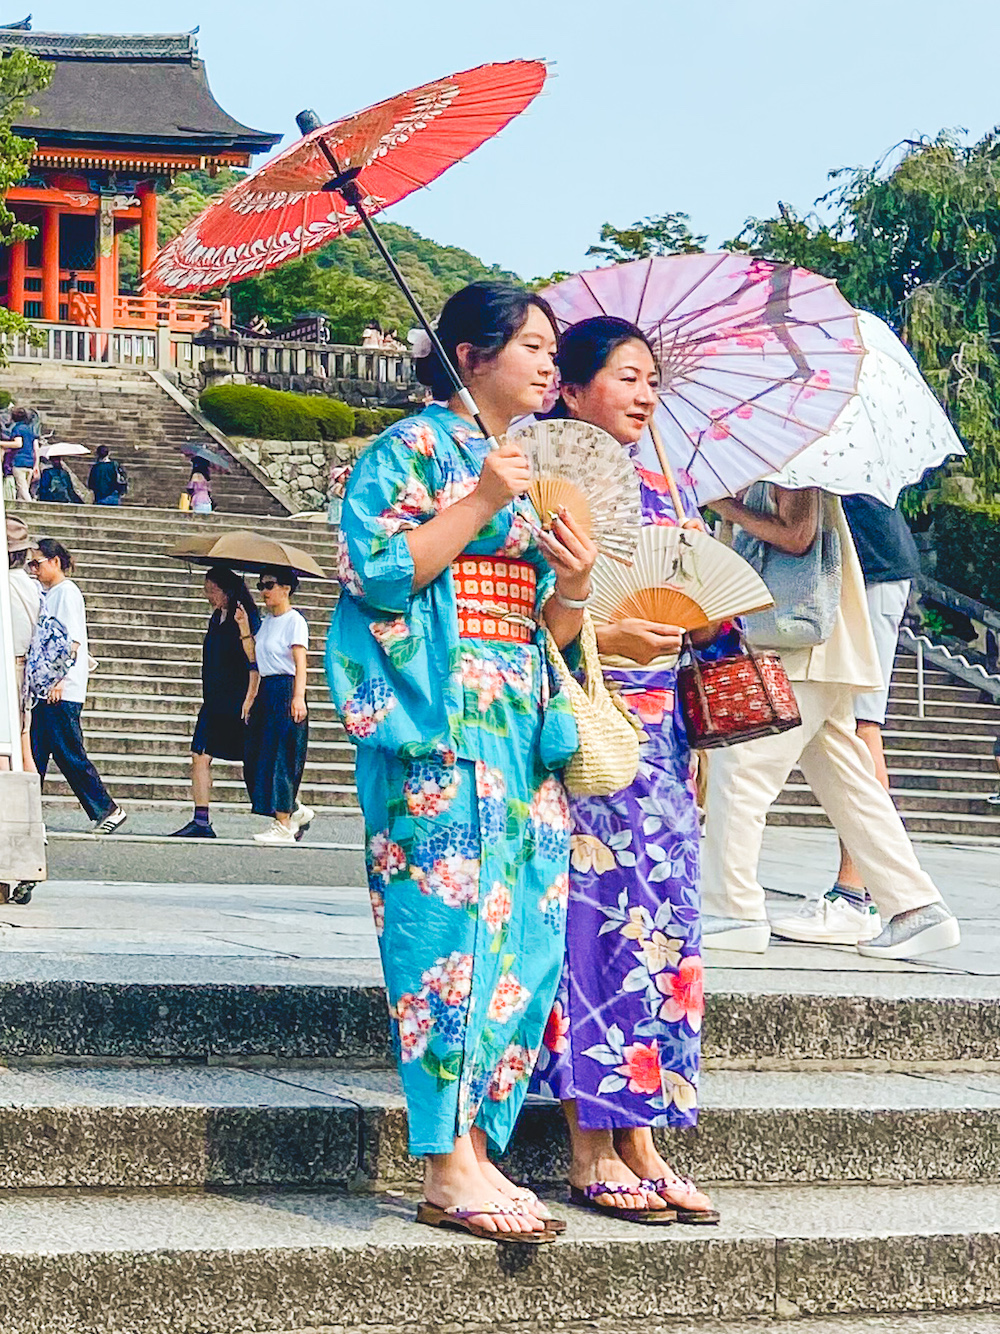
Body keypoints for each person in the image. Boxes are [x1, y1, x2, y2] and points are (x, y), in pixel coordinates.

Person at [326, 281, 597, 1242]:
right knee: (444, 939)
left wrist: (571, 582)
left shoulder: (530, 467)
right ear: (470, 356)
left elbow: (551, 633)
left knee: (525, 938)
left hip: (519, 725)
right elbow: (378, 572)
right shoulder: (410, 451)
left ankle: (481, 1142)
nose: (547, 360)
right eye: (529, 343)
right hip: (437, 727)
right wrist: (483, 496)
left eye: (551, 346)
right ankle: (443, 1164)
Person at [527, 316, 718, 1225]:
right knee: (600, 929)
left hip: (665, 734)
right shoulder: (552, 479)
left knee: (668, 930)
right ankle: (589, 1145)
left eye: (651, 379)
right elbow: (526, 619)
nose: (645, 394)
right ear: (569, 389)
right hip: (591, 729)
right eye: (627, 376)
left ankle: (647, 1134)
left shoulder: (670, 484)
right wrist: (610, 632)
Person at [703, 485, 959, 960]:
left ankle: (731, 907)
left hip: (799, 641)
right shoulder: (787, 448)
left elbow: (798, 535)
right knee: (847, 781)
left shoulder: (792, 452)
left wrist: (725, 507)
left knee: (742, 767)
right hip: (817, 639)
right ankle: (915, 906)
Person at [770, 494, 922, 945]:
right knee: (845, 723)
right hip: (854, 560)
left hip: (868, 564)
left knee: (859, 723)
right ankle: (873, 896)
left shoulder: (826, 424)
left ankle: (858, 894)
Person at [29, 539, 127, 835]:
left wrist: (59, 679)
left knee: (68, 752)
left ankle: (106, 808)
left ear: (55, 561)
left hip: (60, 689)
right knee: (37, 752)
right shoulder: (51, 593)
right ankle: (28, 813)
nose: (34, 569)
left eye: (38, 563)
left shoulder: (67, 593)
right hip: (49, 686)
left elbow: (70, 641)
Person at [171, 566, 261, 839]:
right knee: (199, 755)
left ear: (227, 590)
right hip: (214, 700)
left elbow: (255, 660)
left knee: (256, 762)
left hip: (238, 699)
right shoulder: (216, 618)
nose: (208, 595)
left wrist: (245, 628)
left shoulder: (245, 616)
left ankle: (289, 810)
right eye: (207, 590)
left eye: (213, 590)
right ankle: (201, 819)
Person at [239, 566, 313, 845]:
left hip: (286, 687)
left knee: (282, 756)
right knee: (259, 756)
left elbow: (300, 663)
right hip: (267, 689)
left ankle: (283, 823)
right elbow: (256, 660)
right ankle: (292, 809)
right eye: (261, 586)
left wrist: (298, 697)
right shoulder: (267, 621)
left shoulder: (295, 621)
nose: (264, 591)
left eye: (269, 585)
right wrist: (251, 694)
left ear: (286, 589)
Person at [4, 516, 41, 905]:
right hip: (22, 672)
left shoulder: (8, 587)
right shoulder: (31, 588)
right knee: (24, 753)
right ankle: (31, 832)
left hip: (5, 672)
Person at [5, 408, 40, 502]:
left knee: (22, 489)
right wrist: (36, 465)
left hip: (19, 462)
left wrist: (1, 443)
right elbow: (36, 448)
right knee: (23, 492)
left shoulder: (17, 428)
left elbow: (18, 444)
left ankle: (32, 507)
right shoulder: (31, 430)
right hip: (30, 463)